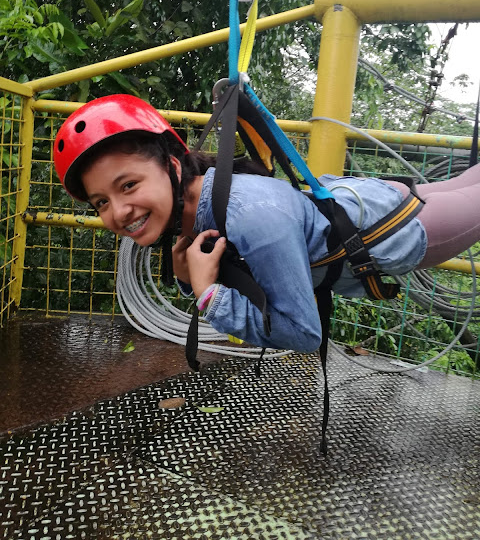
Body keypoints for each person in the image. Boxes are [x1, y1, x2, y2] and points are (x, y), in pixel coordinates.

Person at [54, 94, 480, 353]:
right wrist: (189, 280)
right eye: (101, 202)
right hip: (363, 204)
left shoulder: (244, 214)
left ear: (169, 165)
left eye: (128, 185)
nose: (119, 211)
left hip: (393, 229)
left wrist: (207, 297)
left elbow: (304, 333)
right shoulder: (198, 201)